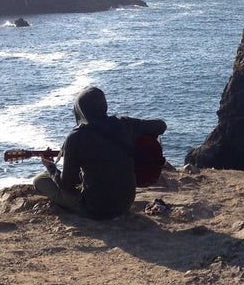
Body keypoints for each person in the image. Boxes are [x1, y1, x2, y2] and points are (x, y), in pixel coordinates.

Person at [33, 85, 167, 218]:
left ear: (79, 109)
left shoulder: (76, 137)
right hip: (125, 204)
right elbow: (161, 125)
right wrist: (137, 140)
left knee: (39, 180)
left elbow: (68, 186)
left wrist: (51, 167)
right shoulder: (124, 123)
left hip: (96, 210)